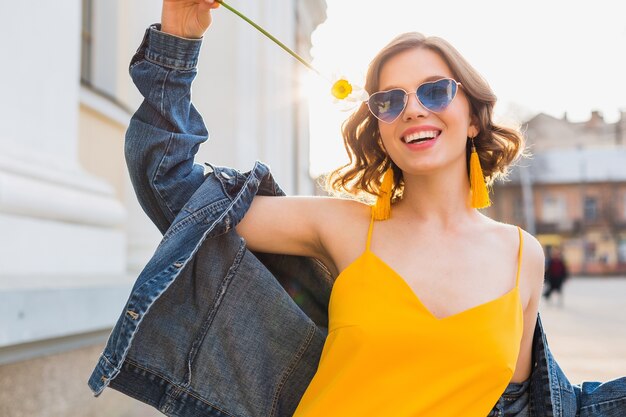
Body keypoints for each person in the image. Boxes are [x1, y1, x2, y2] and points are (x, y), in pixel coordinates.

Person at [88, 1, 626, 416]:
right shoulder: (343, 226)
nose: (412, 108)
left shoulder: (521, 256)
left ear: (475, 115)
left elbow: (524, 405)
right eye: (389, 101)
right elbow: (174, 188)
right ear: (381, 131)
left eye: (434, 91)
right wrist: (179, 39)